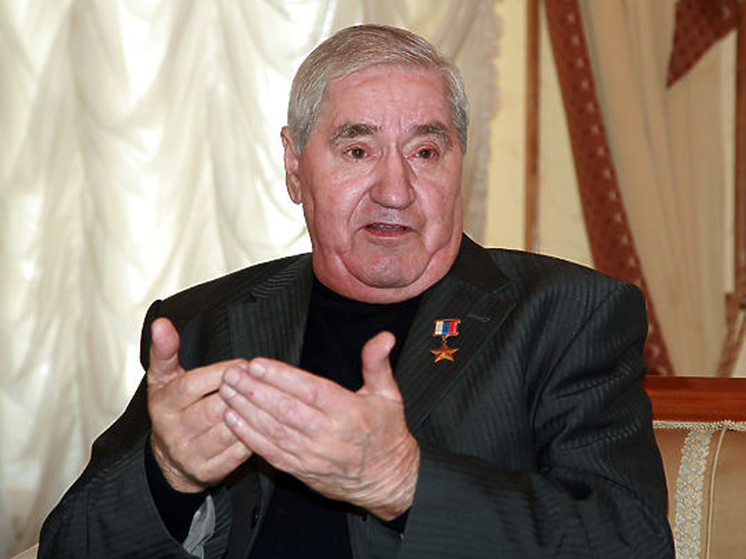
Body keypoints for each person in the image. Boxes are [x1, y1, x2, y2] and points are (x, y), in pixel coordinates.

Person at [39, 24, 674, 559]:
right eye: (357, 150)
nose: (394, 190)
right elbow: (66, 545)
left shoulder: (567, 315)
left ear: (460, 161)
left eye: (426, 152)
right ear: (294, 166)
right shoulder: (205, 323)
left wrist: (404, 482)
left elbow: (632, 540)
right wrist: (167, 478)